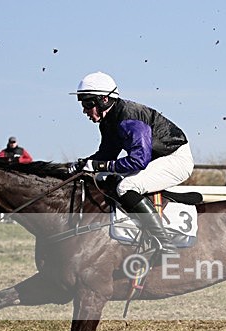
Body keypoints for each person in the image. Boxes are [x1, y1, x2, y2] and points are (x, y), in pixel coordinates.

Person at [69, 71, 193, 257]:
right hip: (157, 159)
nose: (84, 110)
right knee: (108, 180)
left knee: (127, 186)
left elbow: (138, 161)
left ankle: (166, 245)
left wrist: (98, 166)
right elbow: (106, 155)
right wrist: (84, 164)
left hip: (175, 159)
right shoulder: (108, 121)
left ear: (104, 100)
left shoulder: (130, 119)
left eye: (88, 104)